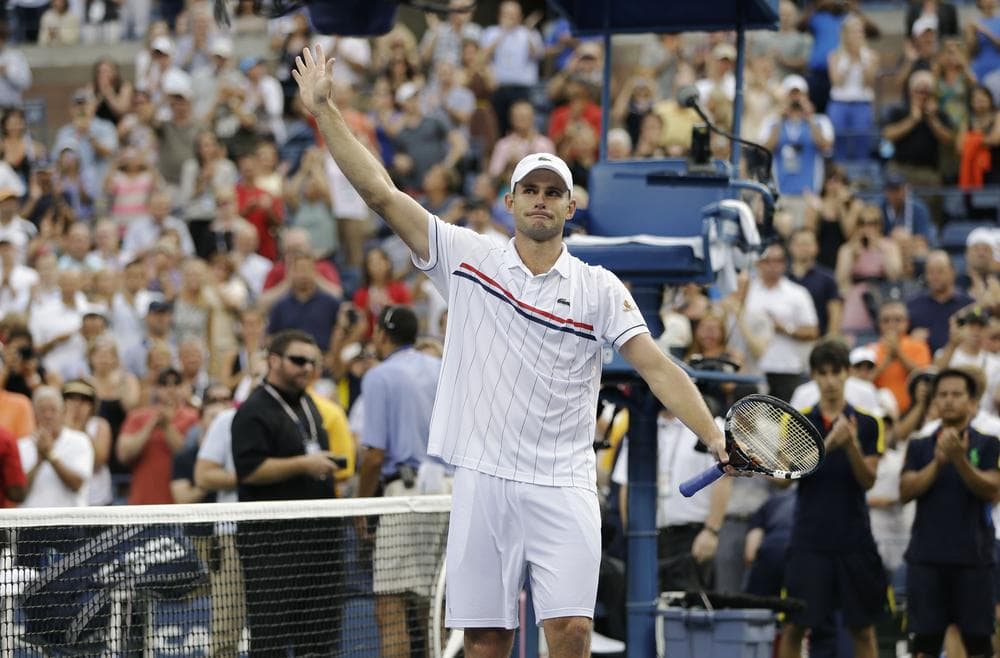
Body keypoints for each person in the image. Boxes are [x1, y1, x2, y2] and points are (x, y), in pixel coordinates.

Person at [292, 45, 729, 658]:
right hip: (483, 477)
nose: (542, 199)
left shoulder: (600, 288)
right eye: (531, 190)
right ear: (511, 201)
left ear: (571, 208)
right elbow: (383, 195)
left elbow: (656, 366)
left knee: (572, 632)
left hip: (565, 480)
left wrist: (712, 433)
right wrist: (325, 111)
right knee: (486, 642)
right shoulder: (470, 259)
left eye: (554, 191)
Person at [231, 329, 343, 656]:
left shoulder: (310, 403)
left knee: (320, 645)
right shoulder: (253, 410)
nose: (306, 368)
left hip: (320, 547)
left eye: (312, 362)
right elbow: (249, 470)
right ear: (273, 360)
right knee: (272, 644)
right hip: (273, 549)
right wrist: (303, 465)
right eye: (297, 360)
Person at [777, 339, 885, 658]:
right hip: (809, 539)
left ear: (848, 373)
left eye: (836, 372)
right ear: (813, 376)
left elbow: (868, 480)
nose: (830, 380)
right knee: (795, 626)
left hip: (854, 538)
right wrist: (827, 445)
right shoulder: (795, 421)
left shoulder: (868, 421)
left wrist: (850, 445)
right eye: (822, 373)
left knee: (863, 629)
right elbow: (783, 482)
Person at [357, 305, 445, 657]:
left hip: (406, 497)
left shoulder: (379, 376)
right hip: (449, 495)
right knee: (434, 606)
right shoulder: (441, 369)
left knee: (390, 606)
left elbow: (375, 455)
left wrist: (361, 507)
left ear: (380, 334)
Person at [900, 368, 1000, 658]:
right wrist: (938, 463)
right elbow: (905, 491)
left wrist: (960, 460)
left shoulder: (989, 443)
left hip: (975, 560)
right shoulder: (920, 444)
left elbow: (993, 490)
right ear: (934, 402)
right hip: (926, 560)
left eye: (957, 394)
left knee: (979, 646)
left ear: (972, 402)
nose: (948, 401)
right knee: (924, 646)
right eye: (942, 395)